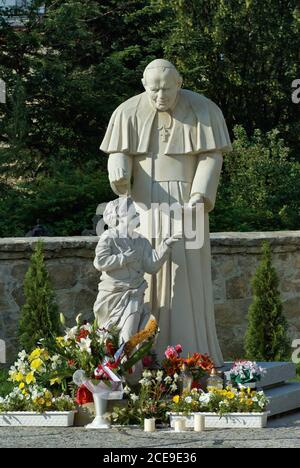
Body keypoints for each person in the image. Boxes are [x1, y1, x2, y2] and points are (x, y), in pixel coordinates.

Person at [100, 59, 232, 366]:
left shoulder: (205, 110)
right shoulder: (127, 113)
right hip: (144, 205)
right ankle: (141, 356)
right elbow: (119, 150)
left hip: (190, 203)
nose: (160, 96)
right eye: (154, 90)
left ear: (179, 83)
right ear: (145, 86)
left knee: (187, 275)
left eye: (167, 89)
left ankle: (193, 354)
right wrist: (118, 165)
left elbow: (211, 156)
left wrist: (199, 195)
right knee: (147, 271)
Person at [93, 197, 180, 344]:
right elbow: (100, 263)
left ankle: (127, 365)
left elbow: (151, 266)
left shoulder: (141, 241)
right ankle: (114, 365)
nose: (138, 216)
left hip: (133, 294)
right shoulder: (109, 237)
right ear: (120, 217)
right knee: (109, 337)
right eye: (134, 214)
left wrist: (166, 245)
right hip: (112, 295)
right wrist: (124, 258)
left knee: (129, 335)